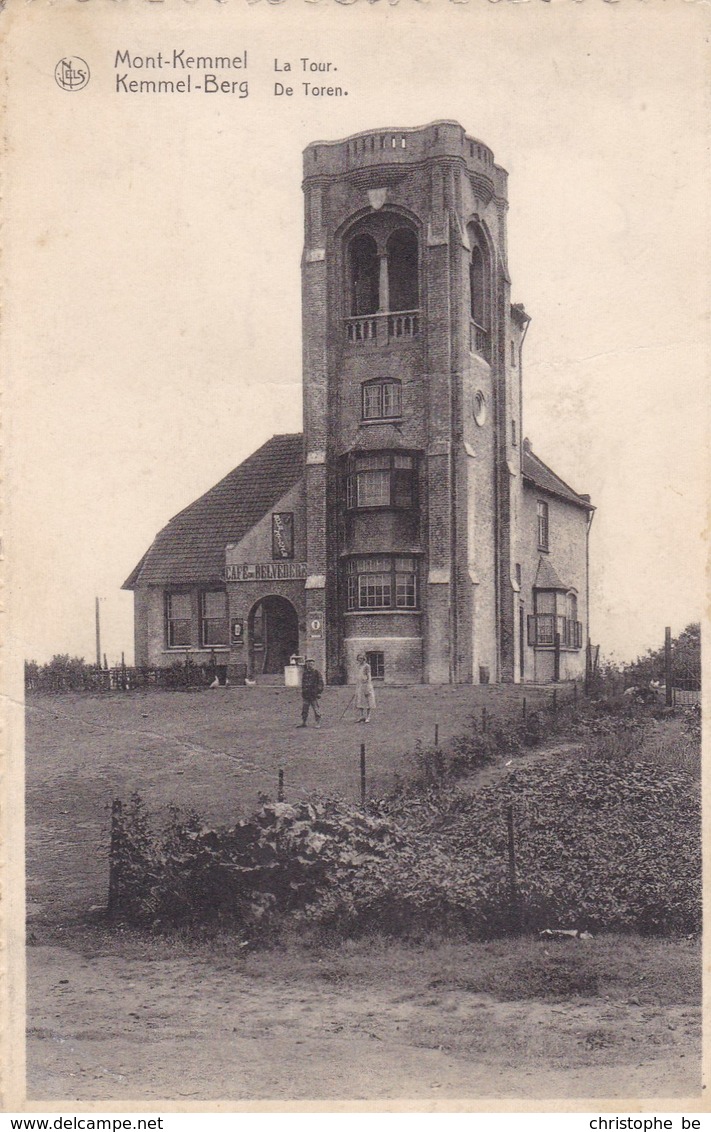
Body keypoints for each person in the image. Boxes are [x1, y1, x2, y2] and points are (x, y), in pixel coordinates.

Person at [298, 658, 323, 727]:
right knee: (304, 709)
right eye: (308, 664)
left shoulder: (316, 673)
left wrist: (318, 692)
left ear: (314, 665)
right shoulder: (305, 673)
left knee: (316, 709)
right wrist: (303, 692)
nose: (310, 665)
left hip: (313, 694)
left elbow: (320, 683)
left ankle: (318, 723)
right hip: (306, 694)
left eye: (311, 664)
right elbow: (303, 684)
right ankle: (304, 722)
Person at [355, 653, 375, 723]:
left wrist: (367, 684)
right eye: (359, 658)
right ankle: (361, 716)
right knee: (360, 701)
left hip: (366, 685)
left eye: (361, 658)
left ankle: (368, 717)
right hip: (360, 685)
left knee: (368, 701)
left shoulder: (367, 666)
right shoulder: (358, 666)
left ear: (364, 659)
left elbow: (369, 676)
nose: (360, 660)